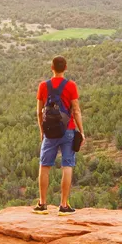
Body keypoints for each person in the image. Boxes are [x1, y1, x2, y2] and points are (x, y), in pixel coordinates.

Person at [35, 55, 83, 215]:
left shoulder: (43, 86)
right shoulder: (71, 86)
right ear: (66, 68)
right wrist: (81, 131)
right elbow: (76, 110)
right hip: (67, 130)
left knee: (44, 165)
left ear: (52, 67)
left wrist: (42, 131)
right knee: (67, 165)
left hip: (49, 132)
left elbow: (39, 112)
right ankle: (63, 205)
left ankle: (42, 204)